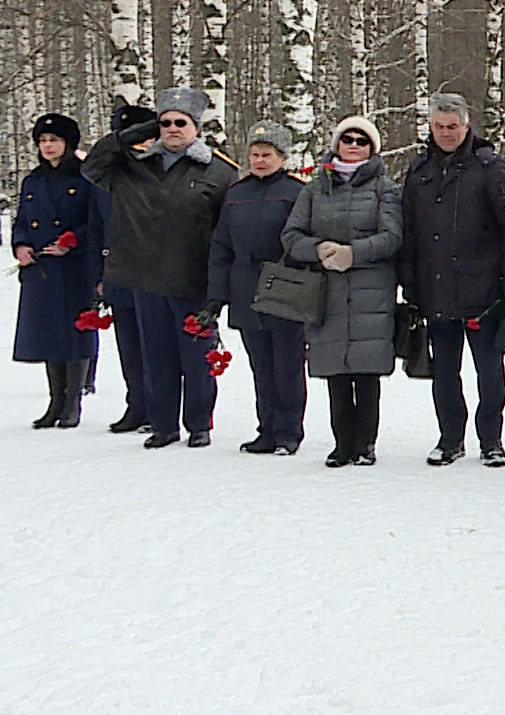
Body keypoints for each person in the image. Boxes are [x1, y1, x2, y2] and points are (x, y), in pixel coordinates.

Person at [83, 87, 237, 449]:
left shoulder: (217, 170)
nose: (172, 129)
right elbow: (92, 167)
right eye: (165, 122)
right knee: (156, 357)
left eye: (180, 123)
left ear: (195, 127)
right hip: (145, 278)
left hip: (191, 278)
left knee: (196, 358)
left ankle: (199, 424)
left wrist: (220, 286)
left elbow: (226, 232)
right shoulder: (132, 167)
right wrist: (134, 134)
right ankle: (163, 424)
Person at [399, 92, 505, 467]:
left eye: (452, 126)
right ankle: (449, 438)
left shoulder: (489, 167)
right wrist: (408, 281)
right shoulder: (419, 169)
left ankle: (492, 440)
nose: (446, 133)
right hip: (434, 288)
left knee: (489, 371)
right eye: (439, 126)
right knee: (444, 370)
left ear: (466, 125)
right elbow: (407, 228)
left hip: (483, 291)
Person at [281, 117, 402, 467]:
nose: (352, 145)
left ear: (371, 148)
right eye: (346, 139)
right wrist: (317, 249)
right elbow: (291, 236)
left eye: (361, 141)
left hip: (370, 291)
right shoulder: (315, 188)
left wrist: (354, 253)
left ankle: (365, 443)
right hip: (326, 291)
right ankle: (341, 443)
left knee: (366, 371)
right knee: (335, 369)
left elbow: (392, 237)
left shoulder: (385, 189)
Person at [206, 122, 307, 455]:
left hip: (285, 287)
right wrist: (217, 295)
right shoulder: (236, 193)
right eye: (254, 154)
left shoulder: (295, 192)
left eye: (267, 155)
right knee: (261, 366)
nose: (260, 161)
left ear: (282, 157)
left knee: (287, 365)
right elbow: (221, 246)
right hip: (246, 288)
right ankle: (266, 428)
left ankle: (289, 431)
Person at [13, 112, 108, 429]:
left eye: (54, 140)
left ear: (68, 144)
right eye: (42, 141)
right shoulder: (33, 181)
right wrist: (21, 245)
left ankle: (72, 402)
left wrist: (73, 241)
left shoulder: (85, 178)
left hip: (75, 266)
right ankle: (55, 400)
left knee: (75, 331)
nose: (48, 146)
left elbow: (96, 221)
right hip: (42, 267)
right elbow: (22, 221)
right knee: (49, 334)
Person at [99, 104, 156, 434]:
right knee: (130, 346)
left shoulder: (162, 171)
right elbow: (96, 227)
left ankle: (161, 405)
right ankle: (137, 404)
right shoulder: (110, 175)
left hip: (158, 274)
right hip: (120, 271)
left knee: (157, 346)